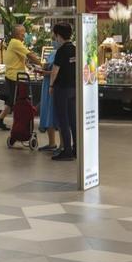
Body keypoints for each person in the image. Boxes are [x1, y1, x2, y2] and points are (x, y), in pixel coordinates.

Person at [0, 24, 28, 131]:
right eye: (23, 32)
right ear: (17, 34)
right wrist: (41, 64)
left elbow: (23, 57)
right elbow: (29, 55)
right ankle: (18, 123)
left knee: (11, 100)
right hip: (14, 77)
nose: (24, 34)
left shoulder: (16, 43)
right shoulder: (16, 43)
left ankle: (0, 120)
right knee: (15, 101)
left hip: (13, 75)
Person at [49, 22, 75, 161]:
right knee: (73, 119)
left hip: (62, 88)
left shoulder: (61, 51)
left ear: (58, 35)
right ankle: (76, 148)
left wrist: (51, 85)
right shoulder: (75, 49)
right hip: (73, 88)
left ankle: (67, 150)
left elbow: (55, 70)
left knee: (63, 120)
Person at [37, 40, 60, 152]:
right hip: (47, 85)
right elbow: (48, 66)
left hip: (54, 85)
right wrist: (44, 68)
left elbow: (59, 72)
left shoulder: (61, 53)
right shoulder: (52, 53)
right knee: (47, 112)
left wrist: (46, 73)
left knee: (55, 113)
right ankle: (52, 142)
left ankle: (62, 145)